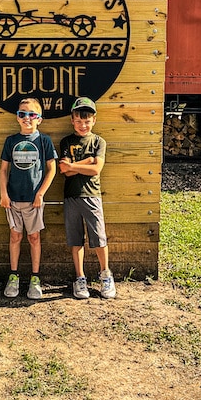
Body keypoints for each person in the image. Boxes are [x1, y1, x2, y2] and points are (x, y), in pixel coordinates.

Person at [59, 97, 116, 300]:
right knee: (76, 240)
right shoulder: (66, 141)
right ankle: (80, 278)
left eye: (87, 121)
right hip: (71, 196)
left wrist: (75, 166)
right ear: (72, 120)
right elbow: (64, 170)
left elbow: (96, 169)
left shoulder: (99, 141)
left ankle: (105, 274)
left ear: (94, 120)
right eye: (79, 121)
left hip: (92, 195)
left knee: (99, 238)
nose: (83, 125)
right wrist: (86, 161)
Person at [0, 97, 57, 300]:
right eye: (22, 114)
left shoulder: (44, 142)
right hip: (13, 199)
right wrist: (3, 194)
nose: (27, 118)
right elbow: (4, 169)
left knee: (34, 237)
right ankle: (13, 276)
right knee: (15, 237)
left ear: (39, 119)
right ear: (17, 117)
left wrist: (40, 193)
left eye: (32, 114)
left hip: (34, 200)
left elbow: (52, 168)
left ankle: (35, 278)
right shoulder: (11, 141)